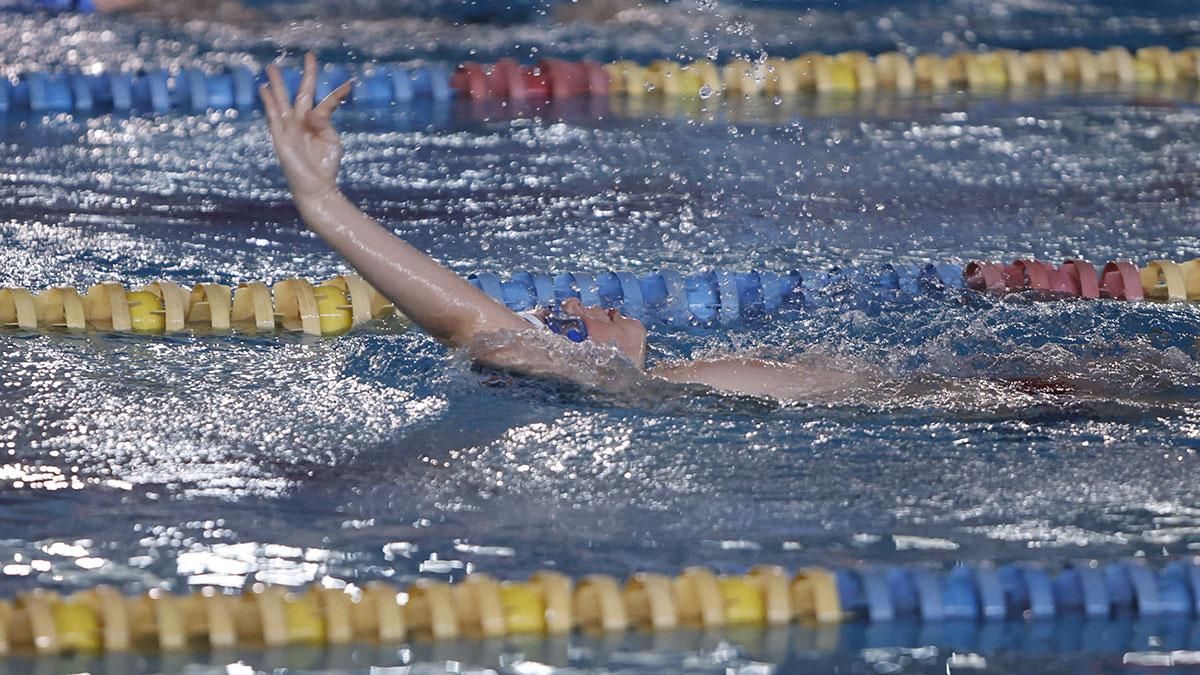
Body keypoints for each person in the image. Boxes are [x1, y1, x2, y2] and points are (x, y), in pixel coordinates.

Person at [260, 53, 875, 401]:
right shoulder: (620, 386)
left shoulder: (671, 381)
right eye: (561, 321)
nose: (579, 300)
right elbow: (471, 321)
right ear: (562, 362)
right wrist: (323, 205)